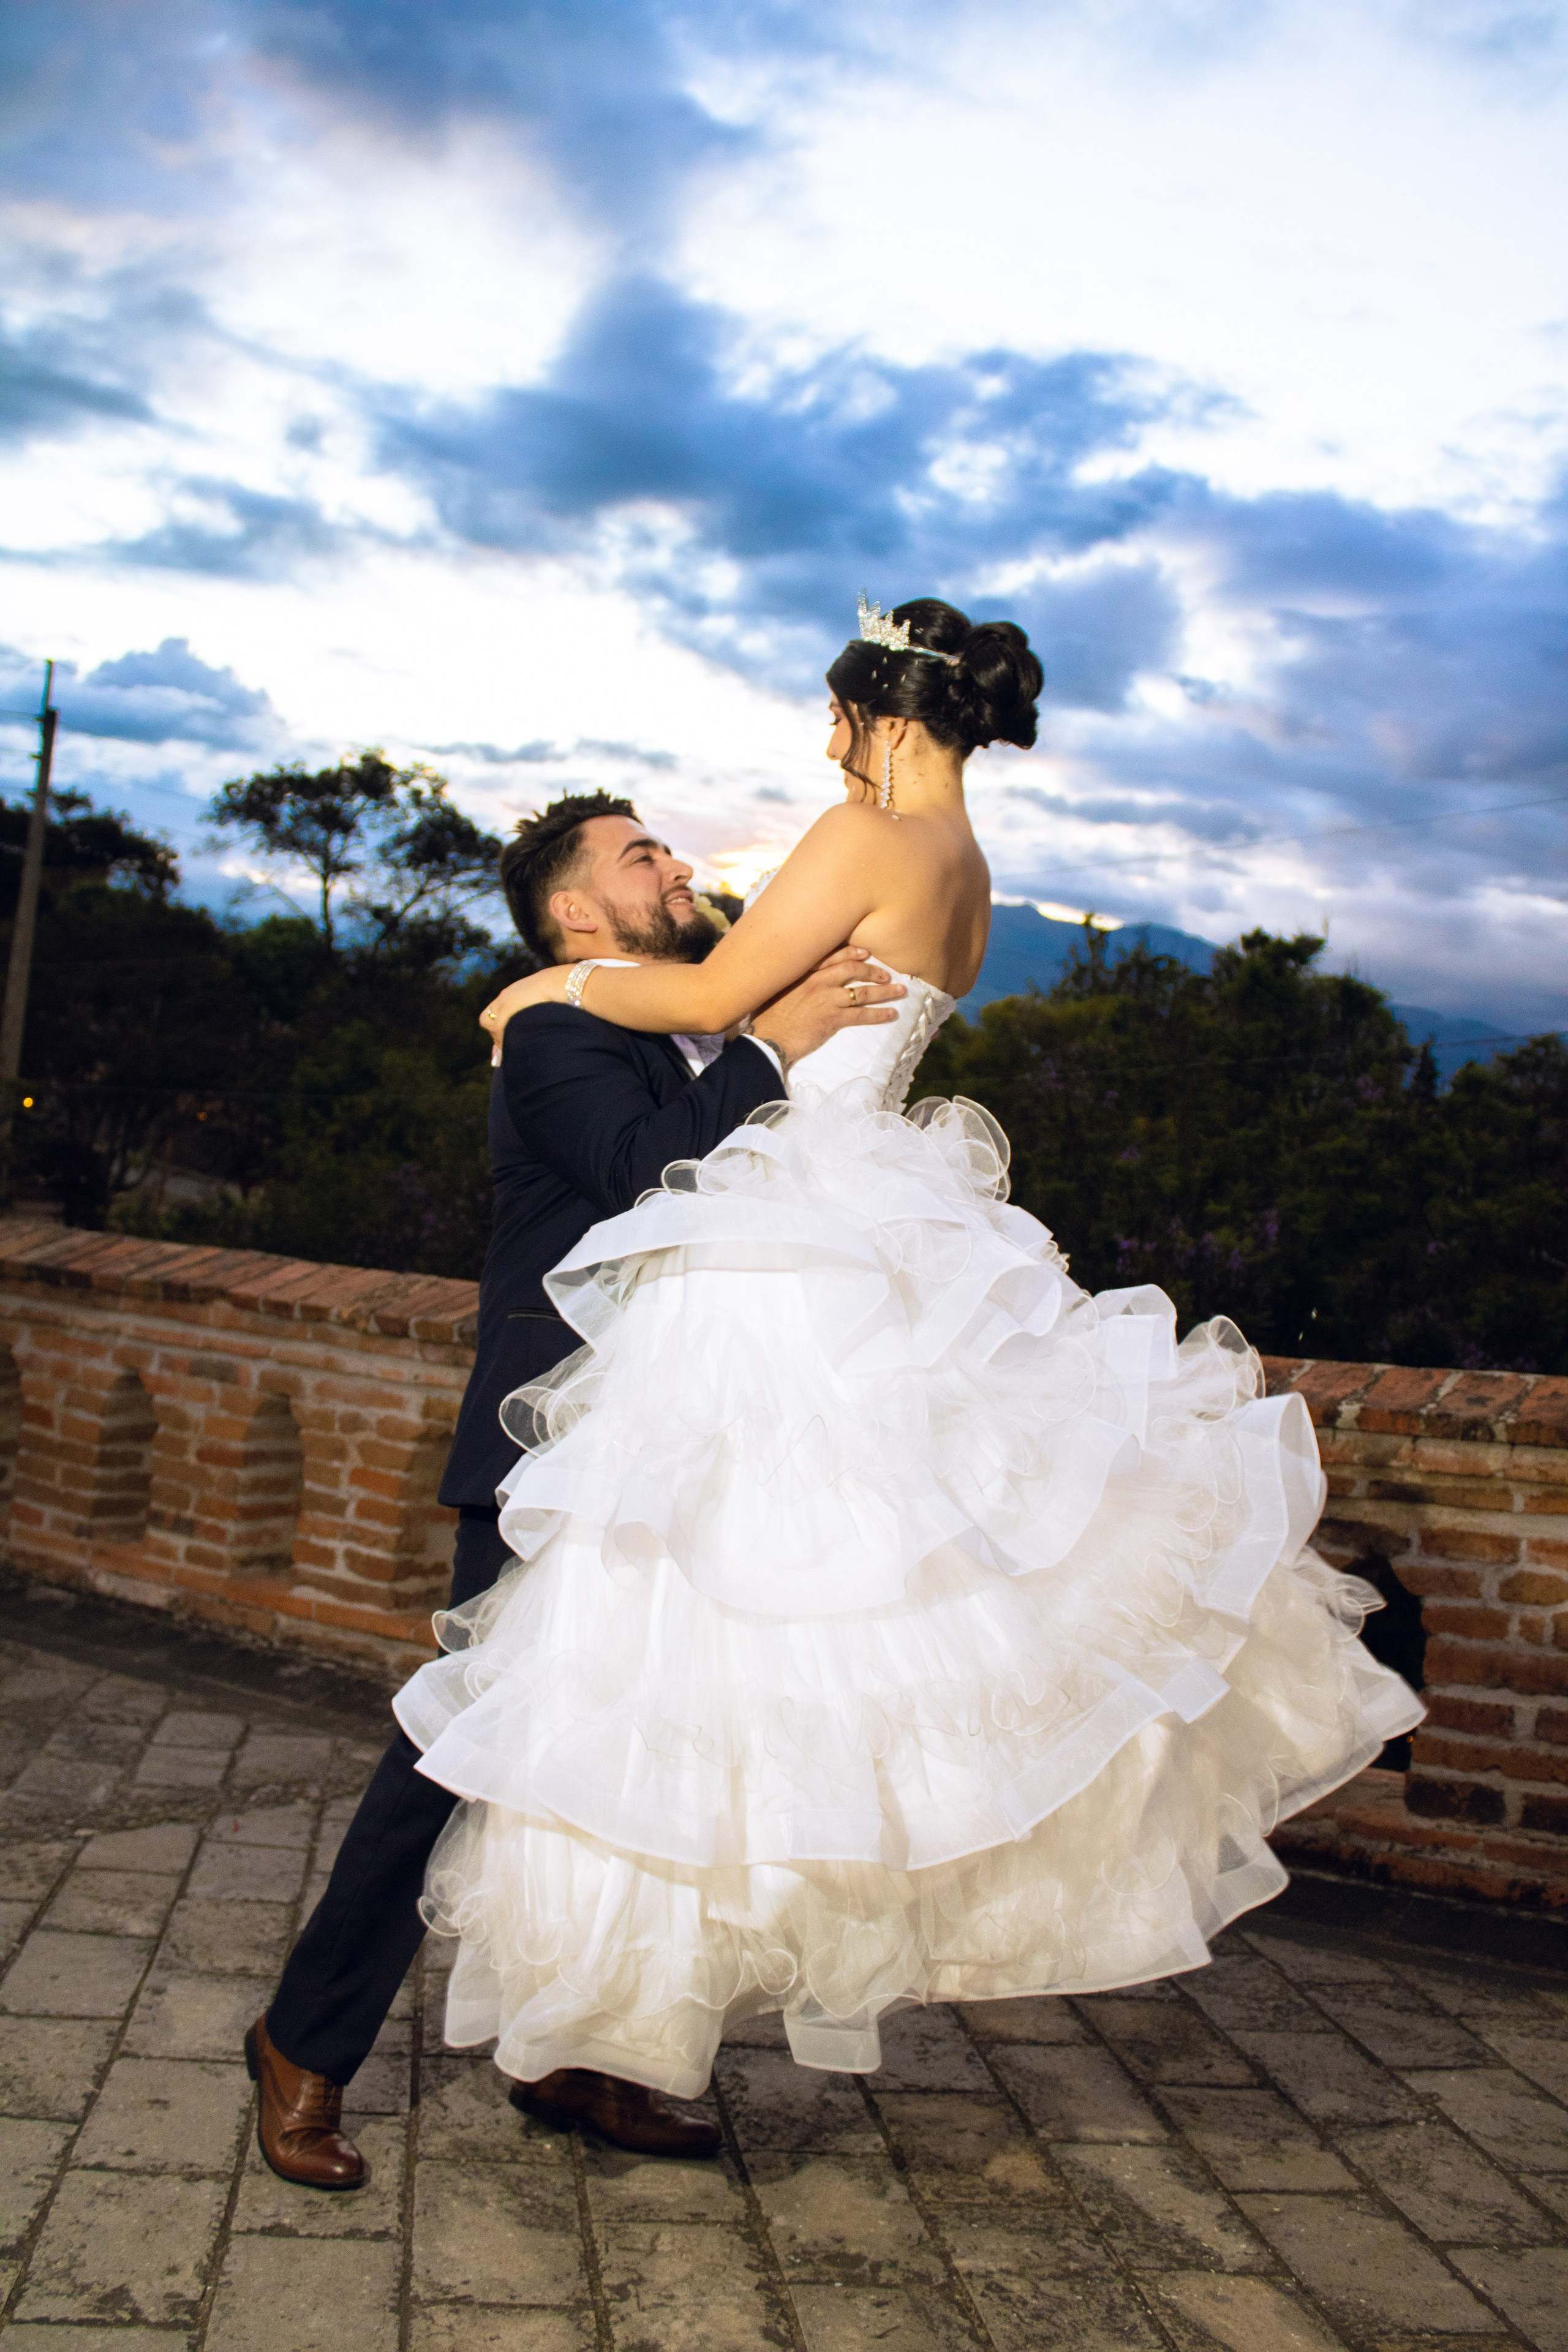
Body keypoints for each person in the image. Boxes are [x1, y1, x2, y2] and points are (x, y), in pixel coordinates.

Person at [395, 594, 1423, 2108]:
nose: (823, 747)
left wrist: (540, 985)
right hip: (887, 1211)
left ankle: (631, 1973)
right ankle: (658, 1989)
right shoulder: (969, 869)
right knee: (865, 1600)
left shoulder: (857, 831)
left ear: (880, 718)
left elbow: (701, 1000)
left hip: (790, 1230)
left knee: (696, 1614)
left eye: (832, 719)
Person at [246, 788, 907, 2185]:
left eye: (663, 845)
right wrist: (778, 1046)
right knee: (453, 1751)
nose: (671, 865)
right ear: (573, 913)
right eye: (638, 856)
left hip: (679, 1444)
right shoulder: (552, 1034)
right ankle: (303, 2044)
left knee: (651, 1751)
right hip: (548, 1452)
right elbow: (636, 1176)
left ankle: (586, 2062)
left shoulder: (690, 1026)